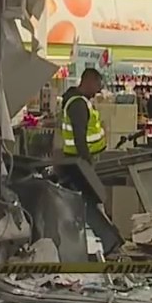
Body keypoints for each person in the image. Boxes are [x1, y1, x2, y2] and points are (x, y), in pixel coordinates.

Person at [58, 68, 107, 204]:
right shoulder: (78, 104)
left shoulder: (79, 101)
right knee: (86, 199)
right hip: (78, 162)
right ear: (89, 82)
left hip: (76, 160)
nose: (97, 91)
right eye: (97, 85)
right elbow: (79, 135)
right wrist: (87, 159)